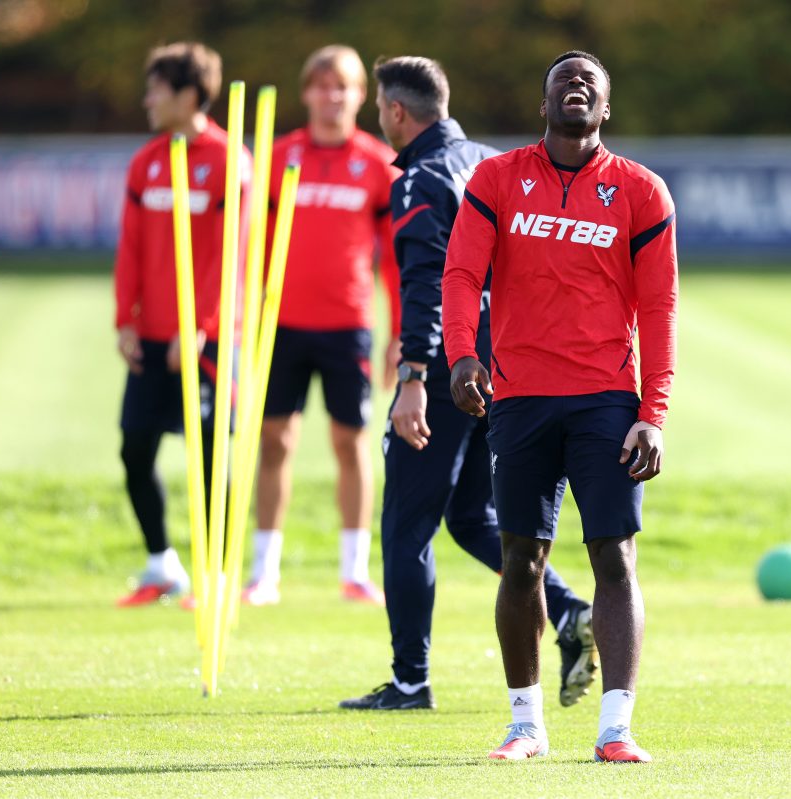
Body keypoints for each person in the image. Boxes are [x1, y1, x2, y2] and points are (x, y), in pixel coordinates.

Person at [338, 56, 596, 712]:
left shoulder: (419, 179)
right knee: (473, 515)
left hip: (451, 369)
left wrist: (413, 376)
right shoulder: (492, 164)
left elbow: (427, 283)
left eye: (379, 108)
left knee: (406, 525)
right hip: (507, 365)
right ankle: (570, 609)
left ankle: (409, 681)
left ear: (396, 112)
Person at [442, 51, 678, 762]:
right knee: (520, 559)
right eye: (562, 80)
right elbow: (462, 272)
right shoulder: (496, 179)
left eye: (589, 82)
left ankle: (616, 729)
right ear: (543, 105)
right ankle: (526, 726)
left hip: (607, 400)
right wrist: (461, 354)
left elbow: (660, 307)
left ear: (606, 107)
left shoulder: (641, 191)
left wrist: (653, 412)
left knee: (615, 558)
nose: (576, 84)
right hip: (519, 397)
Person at [243, 45, 401, 608]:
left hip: (347, 325)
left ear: (361, 96)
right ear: (307, 92)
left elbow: (394, 260)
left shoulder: (378, 163)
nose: (332, 97)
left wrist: (399, 334)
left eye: (344, 87)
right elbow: (250, 246)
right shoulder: (278, 156)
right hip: (280, 324)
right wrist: (244, 318)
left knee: (350, 442)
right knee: (273, 442)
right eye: (323, 85)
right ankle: (263, 574)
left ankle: (354, 572)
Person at [114, 42, 250, 606]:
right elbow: (130, 245)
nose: (147, 100)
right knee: (134, 450)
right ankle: (162, 566)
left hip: (207, 338)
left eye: (157, 90)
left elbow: (229, 252)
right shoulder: (146, 161)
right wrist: (125, 318)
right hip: (148, 335)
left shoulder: (229, 160)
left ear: (189, 94)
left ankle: (217, 579)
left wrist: (200, 325)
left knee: (211, 457)